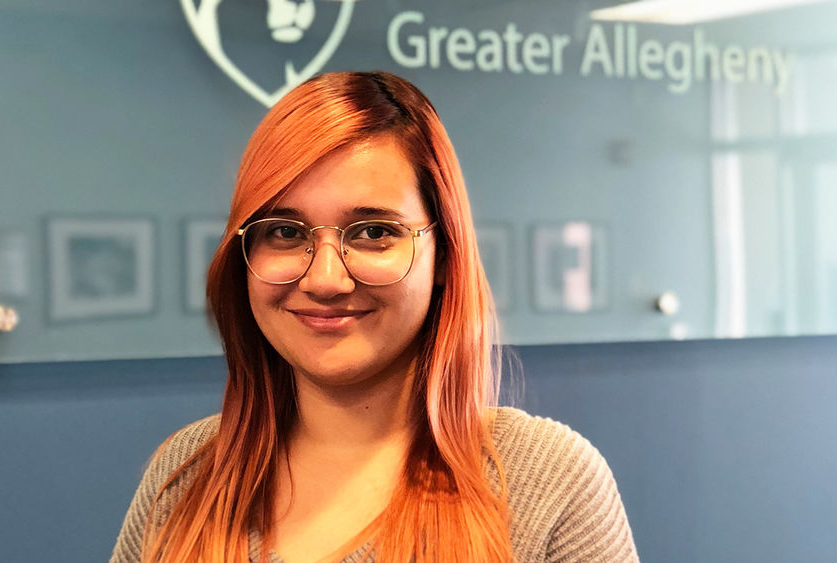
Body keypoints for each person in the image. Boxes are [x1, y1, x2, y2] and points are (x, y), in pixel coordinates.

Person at [111, 71, 638, 563]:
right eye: (285, 233)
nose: (325, 280)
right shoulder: (185, 477)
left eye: (373, 232)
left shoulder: (546, 482)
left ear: (444, 256)